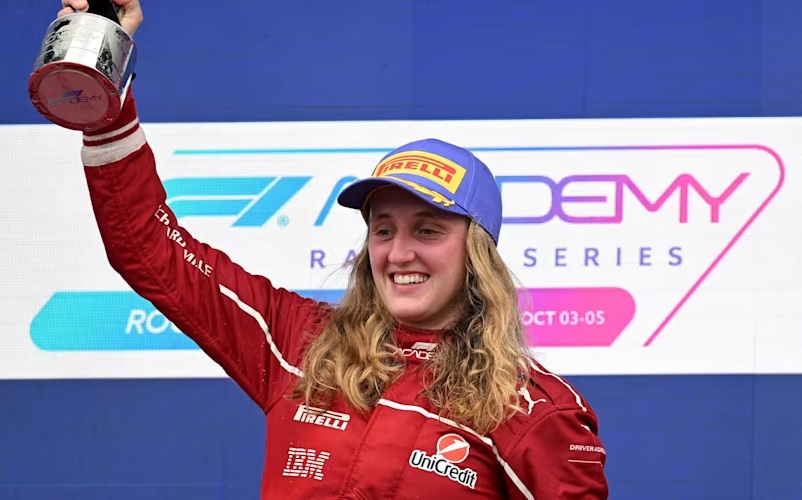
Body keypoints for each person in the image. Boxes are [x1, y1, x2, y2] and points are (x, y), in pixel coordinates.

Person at [57, 1, 609, 497]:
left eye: (428, 231)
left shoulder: (534, 411)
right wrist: (104, 73)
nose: (399, 253)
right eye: (383, 230)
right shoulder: (301, 345)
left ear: (477, 254)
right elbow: (149, 250)